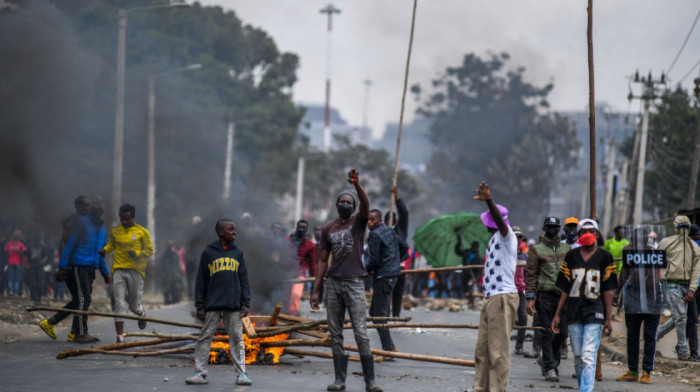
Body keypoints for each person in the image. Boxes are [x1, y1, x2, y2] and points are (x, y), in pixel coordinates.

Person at [310, 169, 382, 392]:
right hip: (333, 284)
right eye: (342, 201)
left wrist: (357, 184)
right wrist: (315, 290)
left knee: (361, 332)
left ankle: (370, 382)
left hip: (354, 283)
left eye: (349, 201)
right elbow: (322, 261)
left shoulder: (358, 223)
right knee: (335, 332)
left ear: (353, 206)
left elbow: (366, 203)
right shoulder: (328, 229)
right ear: (336, 205)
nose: (345, 204)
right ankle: (340, 380)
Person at [551, 218, 617, 392]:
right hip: (573, 312)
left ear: (597, 234)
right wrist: (558, 314)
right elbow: (565, 288)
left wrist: (608, 318)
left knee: (588, 356)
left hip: (595, 311)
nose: (588, 234)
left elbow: (607, 291)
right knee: (579, 357)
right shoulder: (572, 256)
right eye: (584, 231)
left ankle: (586, 390)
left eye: (592, 231)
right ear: (579, 234)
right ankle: (583, 386)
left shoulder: (605, 257)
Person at [185, 219, 252, 386]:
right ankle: (200, 374)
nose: (235, 232)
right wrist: (200, 305)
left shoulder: (238, 252)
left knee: (236, 339)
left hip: (233, 304)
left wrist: (245, 302)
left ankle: (241, 375)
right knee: (205, 337)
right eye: (231, 229)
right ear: (221, 232)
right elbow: (201, 280)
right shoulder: (208, 252)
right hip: (212, 304)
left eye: (235, 229)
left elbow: (244, 279)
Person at [39, 197, 111, 343]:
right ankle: (81, 333)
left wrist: (105, 272)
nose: (98, 210)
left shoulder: (102, 227)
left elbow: (101, 252)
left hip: (91, 267)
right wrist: (62, 266)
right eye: (94, 207)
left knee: (79, 300)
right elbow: (68, 244)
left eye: (100, 208)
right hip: (78, 266)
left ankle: (67, 329)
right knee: (83, 299)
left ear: (103, 210)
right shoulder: (81, 222)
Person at [471, 182, 519, 392]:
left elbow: (500, 222)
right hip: (490, 297)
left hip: (502, 297)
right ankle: (480, 388)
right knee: (482, 352)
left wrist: (489, 201)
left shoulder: (506, 235)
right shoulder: (493, 239)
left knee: (498, 353)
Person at [614, 228, 663, 384]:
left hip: (652, 297)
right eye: (635, 240)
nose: (637, 243)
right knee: (632, 336)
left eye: (640, 240)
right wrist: (617, 291)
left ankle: (647, 372)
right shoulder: (628, 251)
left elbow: (656, 276)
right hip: (634, 297)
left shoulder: (652, 252)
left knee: (649, 336)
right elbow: (624, 272)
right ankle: (633, 371)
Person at [525, 216, 571, 382]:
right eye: (549, 227)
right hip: (545, 296)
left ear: (559, 229)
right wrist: (530, 298)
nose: (552, 229)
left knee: (563, 333)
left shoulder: (567, 248)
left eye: (555, 227)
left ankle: (548, 360)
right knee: (547, 332)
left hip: (564, 296)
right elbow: (531, 276)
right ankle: (551, 368)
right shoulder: (536, 250)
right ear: (544, 229)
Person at [100, 204, 154, 343]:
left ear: (133, 217)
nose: (124, 222)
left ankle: (141, 313)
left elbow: (150, 250)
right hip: (119, 270)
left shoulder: (142, 232)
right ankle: (120, 336)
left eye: (127, 219)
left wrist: (137, 253)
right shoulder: (116, 231)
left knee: (133, 306)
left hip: (136, 271)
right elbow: (112, 245)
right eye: (122, 219)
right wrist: (104, 250)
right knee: (119, 303)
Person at [655, 215, 700, 361]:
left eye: (685, 227)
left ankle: (654, 336)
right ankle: (682, 350)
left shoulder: (694, 247)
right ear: (676, 228)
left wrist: (692, 289)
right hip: (672, 284)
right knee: (680, 317)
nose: (683, 230)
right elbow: (656, 261)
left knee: (679, 318)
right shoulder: (666, 243)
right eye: (681, 227)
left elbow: (696, 270)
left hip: (687, 286)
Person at [366, 208, 408, 357]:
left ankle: (388, 350)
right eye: (368, 220)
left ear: (379, 220)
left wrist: (363, 271)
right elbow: (404, 247)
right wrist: (395, 261)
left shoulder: (374, 235)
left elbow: (374, 260)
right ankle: (390, 346)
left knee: (379, 315)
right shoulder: (388, 230)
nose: (369, 223)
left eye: (372, 220)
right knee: (374, 313)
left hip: (384, 277)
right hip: (392, 275)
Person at [385, 185, 410, 317]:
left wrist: (396, 197)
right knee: (385, 291)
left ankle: (396, 315)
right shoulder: (381, 231)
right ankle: (384, 315)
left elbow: (404, 213)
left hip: (399, 265)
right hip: (385, 266)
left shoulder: (401, 230)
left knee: (398, 291)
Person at [287, 219, 316, 315]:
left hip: (300, 274)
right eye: (299, 227)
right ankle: (282, 316)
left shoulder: (310, 245)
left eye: (303, 228)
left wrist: (314, 277)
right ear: (296, 227)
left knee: (296, 294)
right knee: (284, 295)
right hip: (286, 273)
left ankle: (293, 316)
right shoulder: (287, 240)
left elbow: (312, 263)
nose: (301, 229)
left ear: (306, 230)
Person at [513, 228, 528, 355]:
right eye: (515, 238)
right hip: (509, 290)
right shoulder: (507, 254)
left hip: (521, 289)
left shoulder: (524, 256)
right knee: (507, 318)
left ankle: (519, 345)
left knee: (523, 316)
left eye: (519, 238)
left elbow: (528, 274)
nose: (518, 240)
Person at [455, 240, 482, 309]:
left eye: (475, 247)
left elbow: (479, 270)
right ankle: (467, 301)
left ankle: (471, 302)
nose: (474, 248)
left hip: (472, 275)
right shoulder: (466, 252)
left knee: (471, 289)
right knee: (464, 288)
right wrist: (459, 244)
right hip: (465, 273)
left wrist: (476, 279)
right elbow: (458, 252)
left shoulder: (478, 257)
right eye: (473, 246)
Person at [4, 229, 27, 297]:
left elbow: (6, 254)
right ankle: (16, 293)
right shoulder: (20, 245)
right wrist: (23, 265)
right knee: (17, 279)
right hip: (18, 263)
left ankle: (11, 291)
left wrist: (6, 264)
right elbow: (23, 254)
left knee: (10, 278)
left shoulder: (9, 244)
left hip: (10, 262)